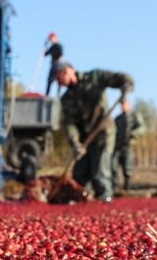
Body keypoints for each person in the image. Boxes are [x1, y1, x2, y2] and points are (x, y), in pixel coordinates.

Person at [53, 60, 134, 202]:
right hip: (85, 139)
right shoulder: (66, 98)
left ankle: (105, 203)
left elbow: (125, 79)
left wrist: (125, 92)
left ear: (67, 71)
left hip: (103, 132)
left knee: (100, 173)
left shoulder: (95, 77)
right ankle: (83, 208)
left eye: (59, 78)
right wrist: (75, 143)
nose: (59, 83)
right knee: (79, 175)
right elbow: (70, 124)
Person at [112, 100, 145, 194]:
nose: (122, 106)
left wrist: (133, 133)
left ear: (128, 104)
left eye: (124, 104)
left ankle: (127, 188)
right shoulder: (117, 118)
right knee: (113, 166)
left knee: (127, 167)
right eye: (121, 104)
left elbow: (142, 127)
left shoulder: (135, 116)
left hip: (128, 145)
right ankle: (115, 188)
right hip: (117, 146)